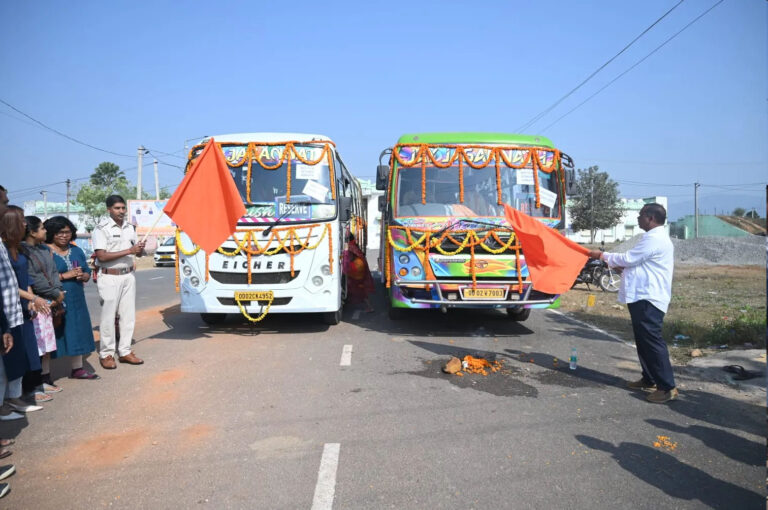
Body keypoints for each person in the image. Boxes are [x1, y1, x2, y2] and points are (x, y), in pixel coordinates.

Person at [589, 203, 677, 404]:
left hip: (649, 298)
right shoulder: (652, 237)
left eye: (640, 215)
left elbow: (629, 258)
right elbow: (637, 265)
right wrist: (618, 266)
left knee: (652, 341)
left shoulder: (655, 238)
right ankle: (650, 378)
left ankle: (667, 387)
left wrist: (602, 255)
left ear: (650, 218)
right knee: (643, 340)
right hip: (641, 295)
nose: (638, 218)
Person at [92, 195, 145, 369]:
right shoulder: (101, 229)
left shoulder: (130, 227)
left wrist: (139, 250)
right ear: (109, 209)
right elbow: (102, 256)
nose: (121, 211)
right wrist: (129, 250)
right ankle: (106, 354)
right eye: (117, 208)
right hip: (109, 276)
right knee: (108, 317)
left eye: (123, 208)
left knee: (128, 316)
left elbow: (136, 253)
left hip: (128, 275)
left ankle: (125, 351)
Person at [44, 216, 99, 380]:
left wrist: (85, 276)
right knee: (51, 334)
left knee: (77, 330)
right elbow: (39, 277)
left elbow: (87, 270)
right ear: (51, 233)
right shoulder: (44, 251)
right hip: (54, 299)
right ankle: (44, 375)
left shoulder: (76, 250)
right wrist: (64, 276)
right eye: (59, 232)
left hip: (76, 297)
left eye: (67, 232)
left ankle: (77, 369)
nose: (64, 236)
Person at [1, 208, 44, 415]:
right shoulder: (2, 249)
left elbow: (22, 279)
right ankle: (6, 405)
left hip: (19, 309)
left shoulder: (20, 248)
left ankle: (15, 398)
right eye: (21, 221)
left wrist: (30, 299)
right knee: (8, 359)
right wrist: (33, 298)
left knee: (21, 355)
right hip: (7, 310)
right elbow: (7, 286)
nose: (25, 224)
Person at [22, 216, 64, 401]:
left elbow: (53, 272)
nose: (46, 231)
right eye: (42, 228)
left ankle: (41, 381)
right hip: (35, 302)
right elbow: (33, 277)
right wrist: (53, 294)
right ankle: (31, 387)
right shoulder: (23, 251)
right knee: (35, 347)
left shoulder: (44, 249)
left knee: (45, 345)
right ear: (32, 232)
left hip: (49, 301)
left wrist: (57, 293)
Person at [344, 234, 374, 313]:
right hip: (359, 268)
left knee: (358, 290)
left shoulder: (349, 246)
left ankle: (369, 307)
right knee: (357, 288)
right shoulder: (353, 245)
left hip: (356, 269)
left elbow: (348, 258)